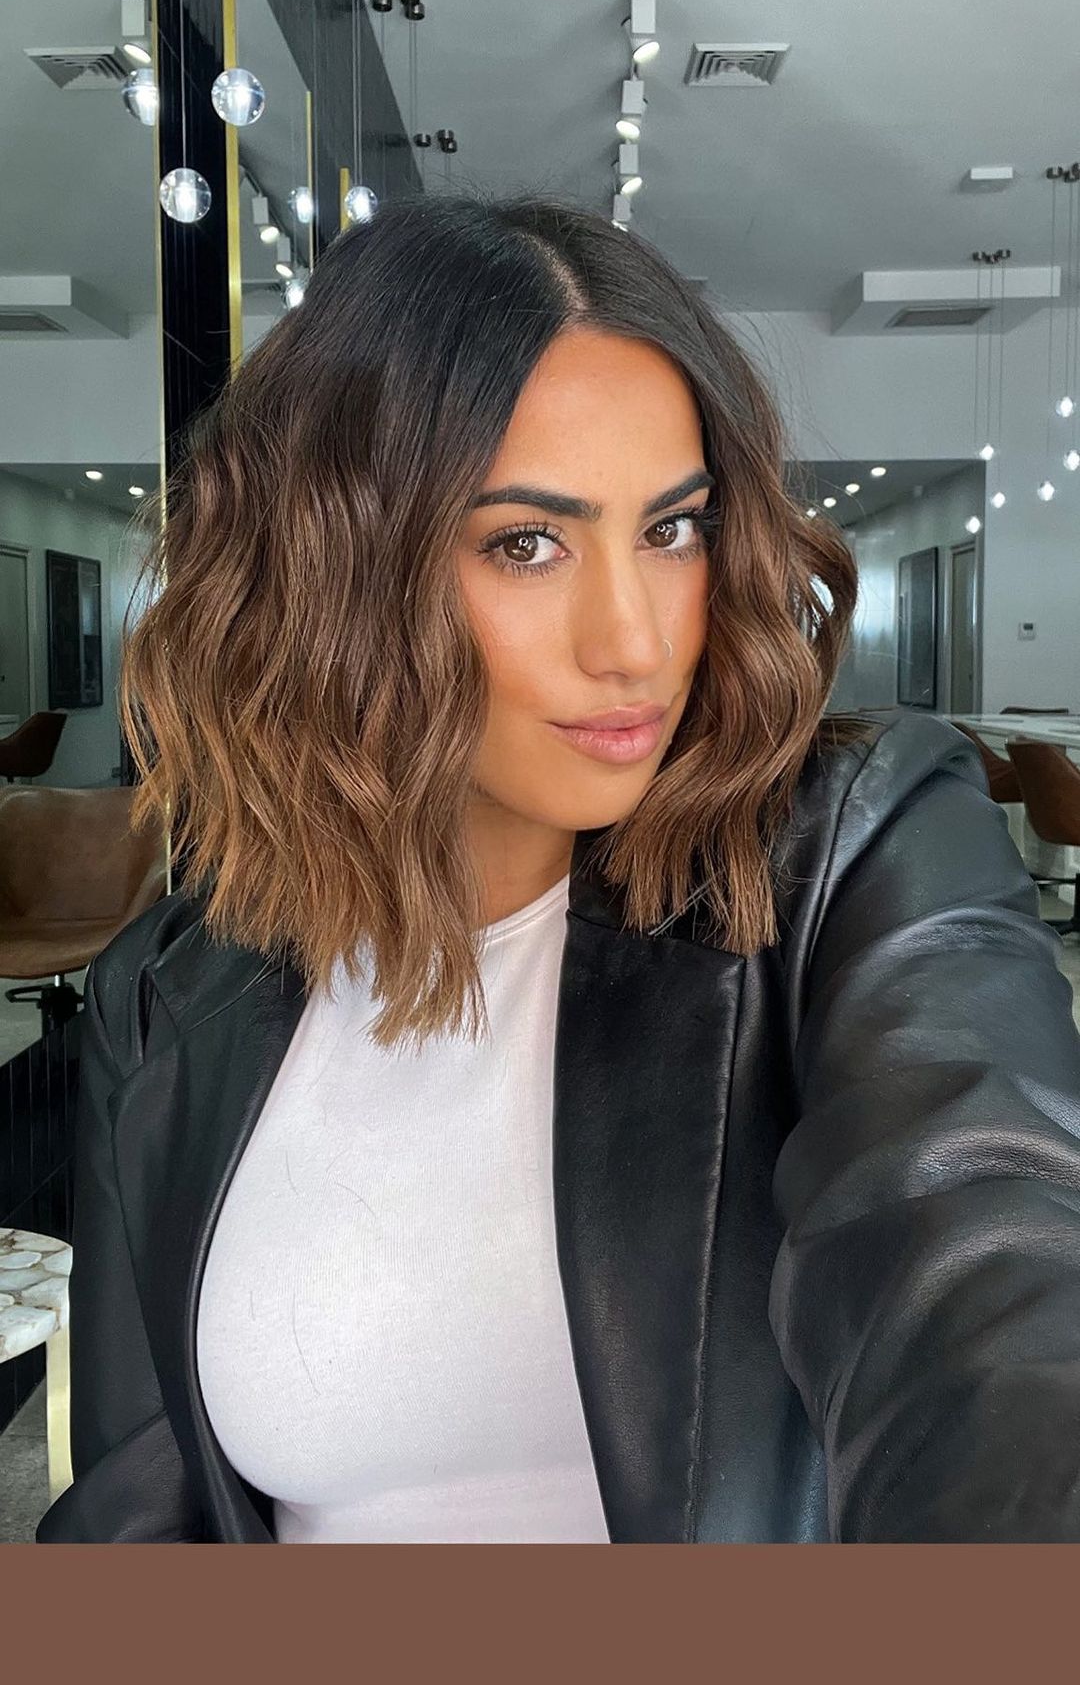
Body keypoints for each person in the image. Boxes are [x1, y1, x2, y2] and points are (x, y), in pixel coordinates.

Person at [37, 194, 1080, 1545]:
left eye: (671, 530)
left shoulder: (847, 855)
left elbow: (989, 1266)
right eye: (525, 543)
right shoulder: (164, 997)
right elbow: (135, 1517)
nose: (635, 643)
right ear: (335, 572)